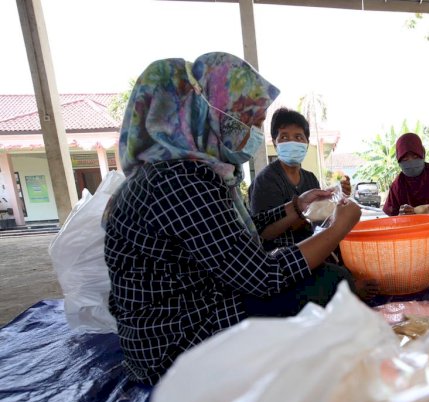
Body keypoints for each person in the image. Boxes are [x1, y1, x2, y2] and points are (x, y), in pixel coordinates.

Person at [105, 53, 361, 385]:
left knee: (323, 276)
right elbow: (263, 276)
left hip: (191, 310)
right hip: (173, 348)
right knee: (326, 283)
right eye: (250, 121)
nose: (254, 133)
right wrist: (340, 227)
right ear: (205, 113)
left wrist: (296, 207)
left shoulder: (192, 172)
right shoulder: (179, 181)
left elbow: (233, 237)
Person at [249, 107, 351, 250]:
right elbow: (264, 232)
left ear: (306, 144)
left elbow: (321, 217)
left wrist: (336, 196)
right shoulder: (265, 181)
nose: (292, 142)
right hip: (282, 259)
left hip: (314, 250)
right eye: (284, 137)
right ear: (274, 142)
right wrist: (306, 213)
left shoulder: (310, 178)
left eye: (298, 137)